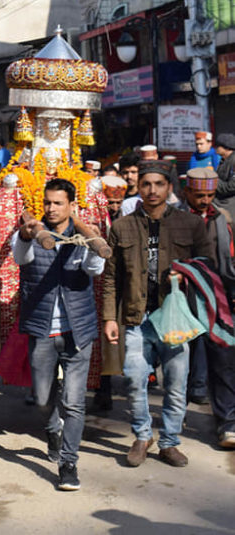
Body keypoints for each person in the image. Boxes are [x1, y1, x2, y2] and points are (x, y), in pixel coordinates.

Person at [102, 160, 215, 468]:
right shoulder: (122, 226)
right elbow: (111, 277)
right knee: (135, 380)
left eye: (159, 184)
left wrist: (186, 274)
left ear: (169, 188)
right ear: (138, 187)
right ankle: (142, 436)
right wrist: (110, 317)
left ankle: (169, 442)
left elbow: (208, 266)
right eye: (146, 184)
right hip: (136, 318)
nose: (152, 190)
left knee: (176, 384)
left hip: (176, 318)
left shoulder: (190, 224)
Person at [15, 179, 105, 491]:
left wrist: (92, 241)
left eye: (58, 203)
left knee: (75, 402)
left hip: (77, 331)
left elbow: (95, 269)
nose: (52, 209)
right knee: (42, 399)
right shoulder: (30, 232)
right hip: (42, 331)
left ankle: (68, 463)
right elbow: (20, 258)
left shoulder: (83, 235)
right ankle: (52, 428)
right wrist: (27, 236)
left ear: (71, 206)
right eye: (48, 202)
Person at [178, 167, 235, 447]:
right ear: (186, 191)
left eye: (210, 195)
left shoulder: (223, 219)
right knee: (178, 361)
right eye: (199, 195)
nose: (205, 200)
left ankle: (227, 422)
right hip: (181, 297)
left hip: (218, 298)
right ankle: (173, 421)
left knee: (223, 360)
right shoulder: (173, 218)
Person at [215, 133, 235, 214]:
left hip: (229, 206)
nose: (216, 148)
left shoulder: (233, 161)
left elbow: (231, 187)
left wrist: (213, 181)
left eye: (218, 146)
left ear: (226, 148)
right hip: (220, 202)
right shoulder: (224, 160)